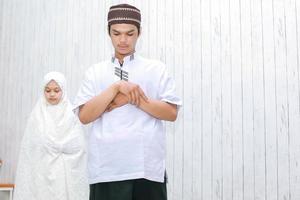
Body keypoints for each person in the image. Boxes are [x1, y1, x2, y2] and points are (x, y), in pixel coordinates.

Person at [73, 3, 182, 200]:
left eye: (130, 33)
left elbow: (171, 113)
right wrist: (116, 88)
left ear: (139, 33)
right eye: (116, 33)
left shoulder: (156, 69)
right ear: (108, 33)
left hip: (146, 168)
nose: (123, 40)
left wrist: (131, 99)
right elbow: (84, 116)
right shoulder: (95, 72)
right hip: (106, 167)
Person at [14, 72, 89, 200]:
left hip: (64, 170)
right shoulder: (37, 114)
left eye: (56, 90)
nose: (52, 94)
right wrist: (46, 145)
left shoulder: (70, 114)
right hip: (41, 168)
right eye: (47, 91)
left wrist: (60, 146)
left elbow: (78, 145)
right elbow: (30, 146)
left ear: (63, 90)